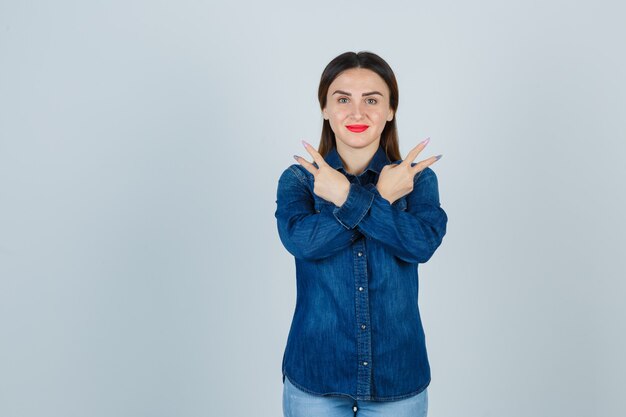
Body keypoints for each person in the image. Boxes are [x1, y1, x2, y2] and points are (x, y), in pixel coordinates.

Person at [274, 51, 448, 417]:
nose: (357, 113)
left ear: (390, 110)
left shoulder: (418, 181)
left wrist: (346, 198)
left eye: (372, 100)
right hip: (315, 377)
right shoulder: (299, 180)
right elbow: (302, 243)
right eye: (342, 99)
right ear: (324, 108)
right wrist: (381, 198)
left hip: (397, 378)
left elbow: (421, 245)